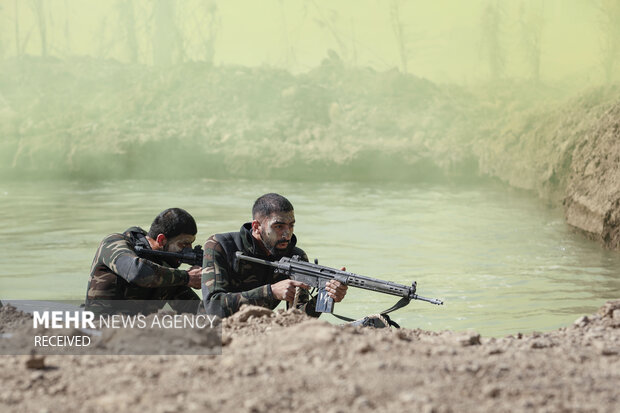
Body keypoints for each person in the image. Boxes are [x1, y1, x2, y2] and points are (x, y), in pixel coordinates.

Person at [202, 193, 348, 318]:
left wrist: (327, 295)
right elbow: (213, 308)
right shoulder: (220, 245)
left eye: (291, 225)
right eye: (278, 226)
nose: (287, 234)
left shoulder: (295, 257)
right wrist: (271, 292)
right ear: (256, 226)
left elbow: (298, 317)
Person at [85, 208, 202, 315]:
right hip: (99, 329)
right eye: (184, 243)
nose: (189, 250)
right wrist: (187, 277)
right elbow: (136, 272)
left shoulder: (167, 272)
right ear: (161, 240)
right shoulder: (114, 242)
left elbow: (197, 310)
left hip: (136, 332)